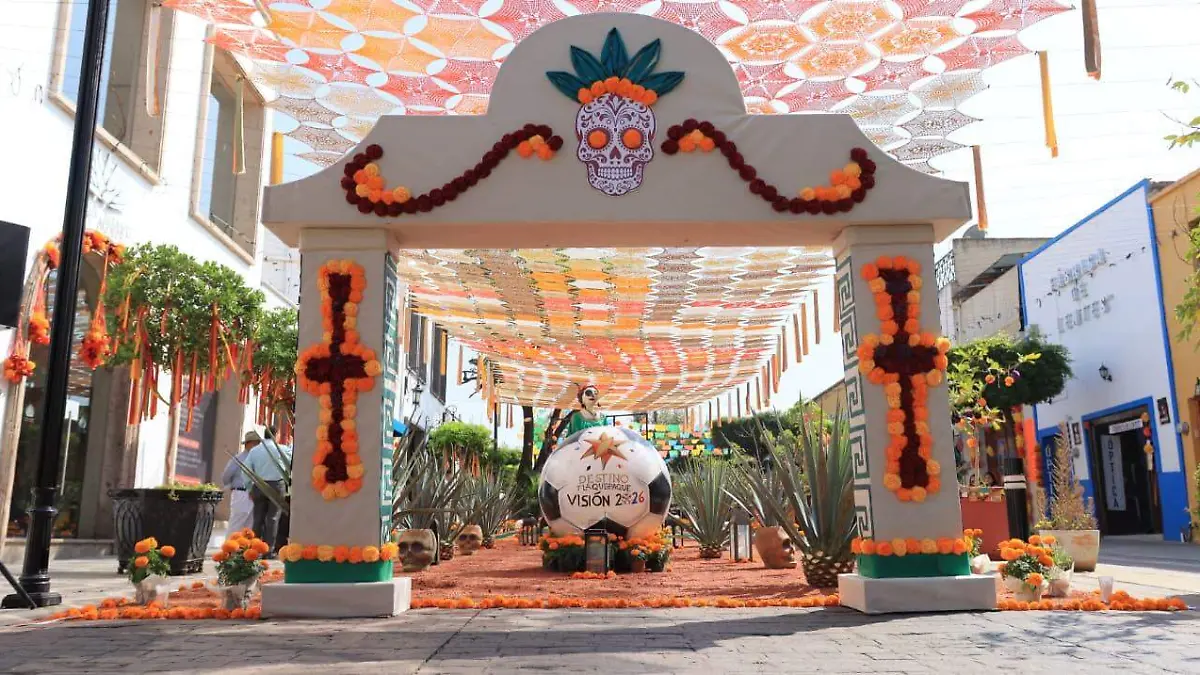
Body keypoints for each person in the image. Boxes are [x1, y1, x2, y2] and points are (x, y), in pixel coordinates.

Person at [243, 432, 292, 555]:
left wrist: (249, 487)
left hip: (259, 484)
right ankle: (268, 549)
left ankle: (254, 549)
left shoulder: (254, 451)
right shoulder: (282, 449)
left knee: (258, 518)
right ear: (276, 434)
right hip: (277, 485)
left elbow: (246, 469)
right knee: (273, 518)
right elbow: (292, 463)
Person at [220, 431, 259, 535]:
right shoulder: (240, 458)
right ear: (248, 444)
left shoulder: (255, 458)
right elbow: (226, 475)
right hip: (241, 493)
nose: (258, 446)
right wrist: (231, 485)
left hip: (252, 494)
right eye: (256, 443)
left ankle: (242, 549)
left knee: (249, 525)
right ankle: (229, 548)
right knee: (236, 523)